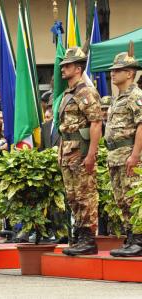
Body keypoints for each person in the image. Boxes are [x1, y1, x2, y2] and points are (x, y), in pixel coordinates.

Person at [58, 47, 102, 256]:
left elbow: (95, 123)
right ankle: (79, 234)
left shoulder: (86, 92)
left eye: (67, 65)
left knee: (85, 195)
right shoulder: (69, 92)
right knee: (73, 196)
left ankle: (88, 238)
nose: (62, 68)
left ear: (78, 68)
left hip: (81, 152)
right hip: (68, 153)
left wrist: (91, 154)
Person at [105, 46, 142, 257]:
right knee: (122, 200)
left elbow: (141, 125)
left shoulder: (135, 96)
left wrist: (135, 155)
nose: (112, 73)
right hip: (115, 157)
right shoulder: (117, 97)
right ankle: (130, 237)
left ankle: (138, 239)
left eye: (117, 70)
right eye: (112, 70)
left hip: (129, 155)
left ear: (129, 73)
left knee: (132, 198)